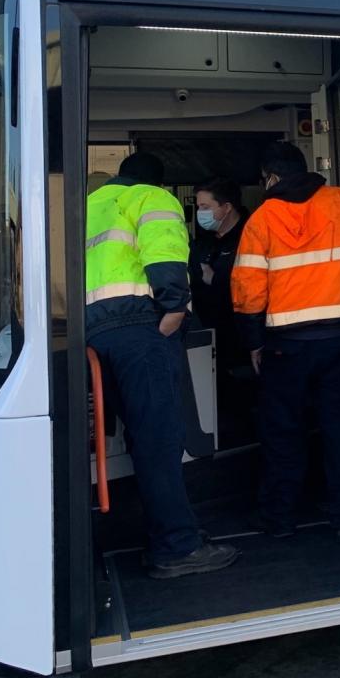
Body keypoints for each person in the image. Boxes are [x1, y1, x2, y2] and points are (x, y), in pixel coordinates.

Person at [86, 151, 238, 578]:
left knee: (141, 434)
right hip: (140, 324)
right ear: (156, 181)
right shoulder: (151, 198)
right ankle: (176, 547)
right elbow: (165, 255)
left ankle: (167, 533)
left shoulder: (90, 205)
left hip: (97, 330)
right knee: (160, 439)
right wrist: (175, 308)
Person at [232, 142, 340, 541]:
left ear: (272, 177)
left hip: (284, 344)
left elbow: (248, 288)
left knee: (283, 432)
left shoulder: (262, 218)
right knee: (339, 428)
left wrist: (253, 342)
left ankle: (279, 518)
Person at [190, 177, 254, 442]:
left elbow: (249, 284)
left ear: (227, 207)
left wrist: (214, 279)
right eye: (198, 207)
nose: (200, 213)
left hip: (242, 340)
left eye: (205, 207)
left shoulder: (251, 236)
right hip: (208, 339)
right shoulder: (204, 241)